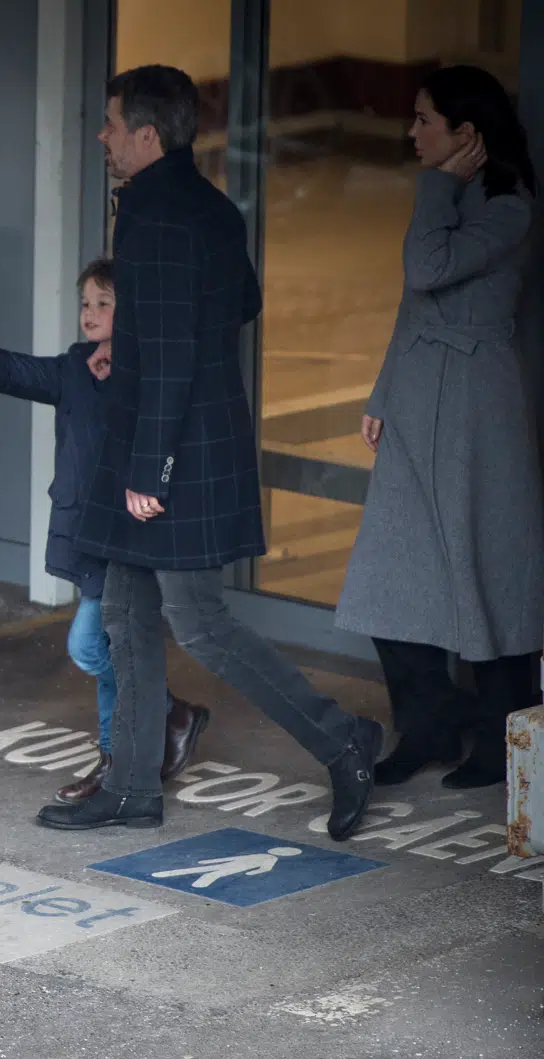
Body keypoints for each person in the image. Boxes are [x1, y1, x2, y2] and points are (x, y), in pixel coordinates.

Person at [41, 65, 382, 840]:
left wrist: (148, 472)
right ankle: (130, 786)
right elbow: (237, 306)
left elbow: (165, 354)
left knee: (200, 625)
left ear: (148, 136)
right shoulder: (212, 208)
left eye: (112, 124)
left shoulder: (154, 218)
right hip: (183, 443)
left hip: (167, 457)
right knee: (127, 619)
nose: (103, 136)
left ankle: (344, 741)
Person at [335, 65, 544, 790]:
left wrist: (438, 188)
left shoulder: (508, 205)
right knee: (389, 574)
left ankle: (499, 734)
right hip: (419, 395)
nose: (412, 131)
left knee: (484, 569)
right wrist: (382, 390)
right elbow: (411, 306)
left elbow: (428, 268)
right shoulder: (449, 196)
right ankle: (428, 722)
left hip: (477, 410)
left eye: (427, 120)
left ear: (468, 136)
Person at [0, 258, 210, 806]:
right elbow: (29, 372)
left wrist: (123, 371)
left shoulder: (145, 374)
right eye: (86, 302)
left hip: (122, 531)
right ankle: (131, 744)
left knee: (91, 644)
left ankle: (153, 724)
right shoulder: (74, 366)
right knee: (108, 646)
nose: (90, 313)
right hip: (82, 527)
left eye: (104, 303)